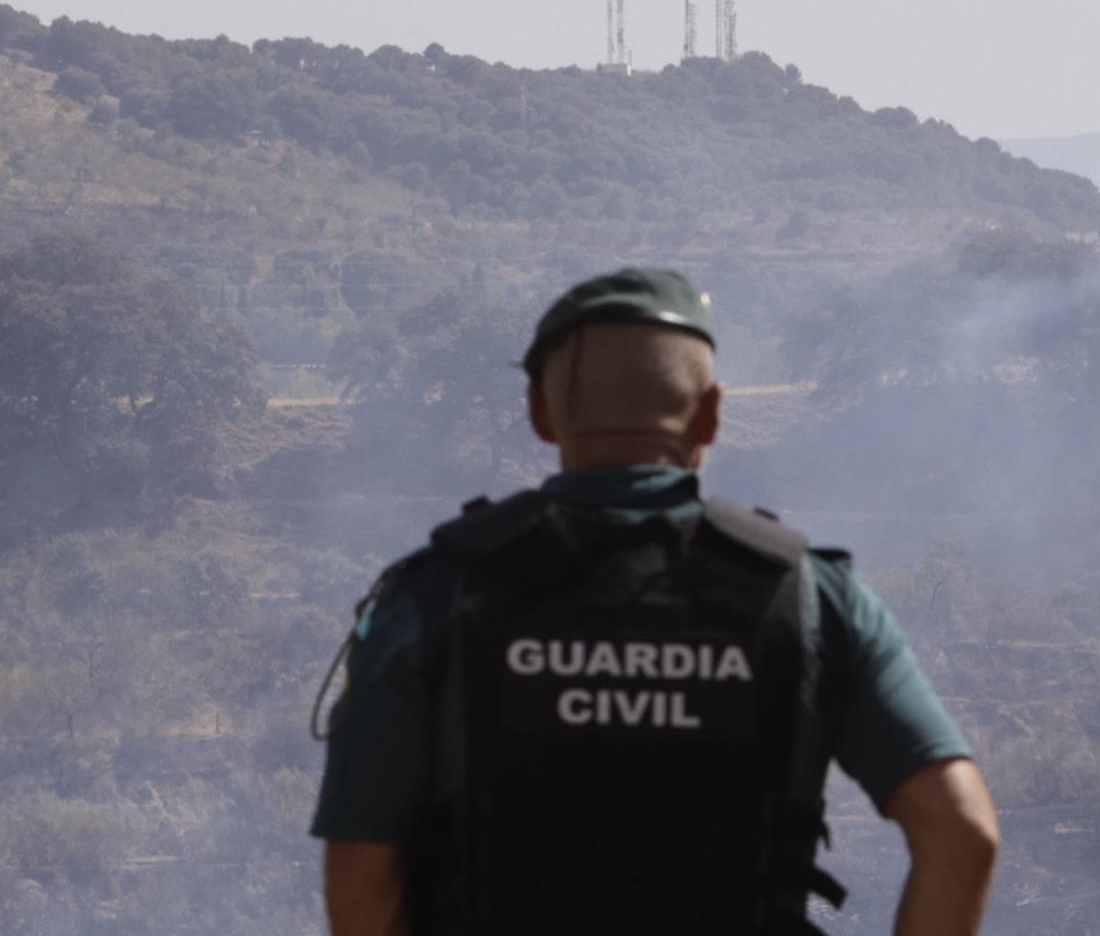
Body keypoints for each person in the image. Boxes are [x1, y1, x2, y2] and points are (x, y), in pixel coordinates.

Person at [311, 266, 1001, 936]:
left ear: (540, 414)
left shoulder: (434, 594)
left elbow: (360, 874)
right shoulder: (812, 597)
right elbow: (963, 834)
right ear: (709, 414)